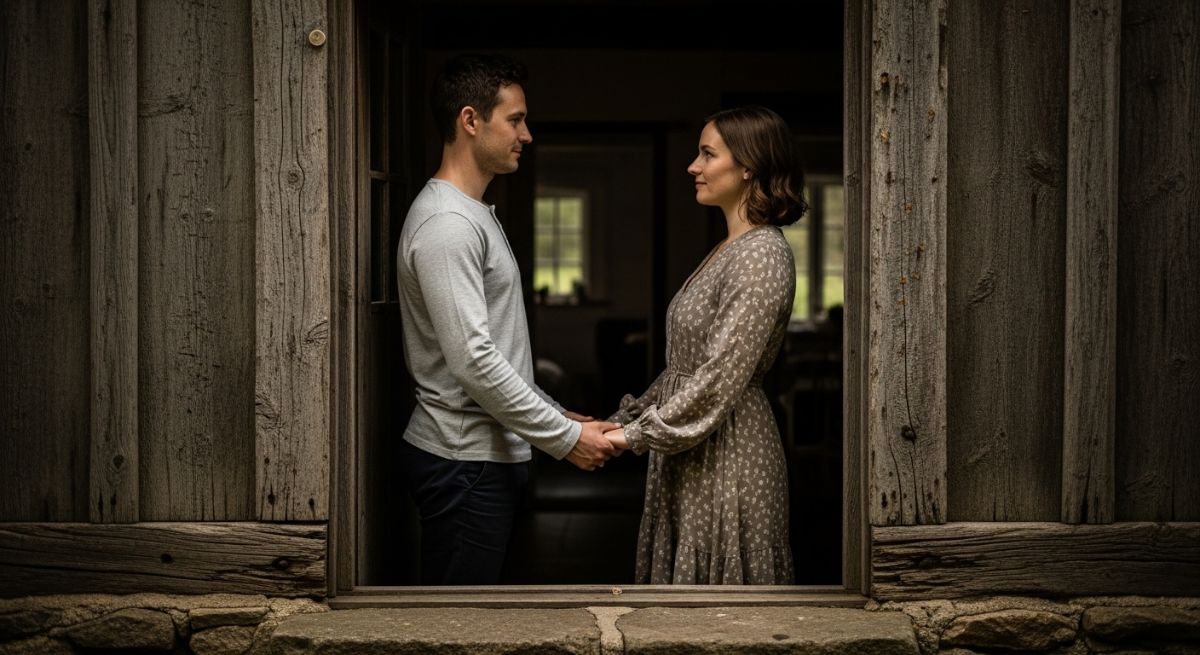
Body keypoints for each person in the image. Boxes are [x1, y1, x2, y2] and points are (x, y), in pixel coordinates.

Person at [395, 53, 618, 585]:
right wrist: (564, 437)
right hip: (464, 464)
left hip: (480, 460)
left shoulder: (470, 214)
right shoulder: (448, 225)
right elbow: (473, 361)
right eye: (515, 120)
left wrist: (557, 411)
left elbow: (495, 351)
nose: (527, 135)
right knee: (456, 628)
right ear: (470, 121)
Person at [603, 106, 806, 585]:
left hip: (729, 454)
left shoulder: (760, 254)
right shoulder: (731, 247)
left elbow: (717, 379)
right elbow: (685, 370)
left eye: (707, 154)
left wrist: (631, 437)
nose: (693, 166)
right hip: (693, 447)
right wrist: (620, 420)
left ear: (748, 167)